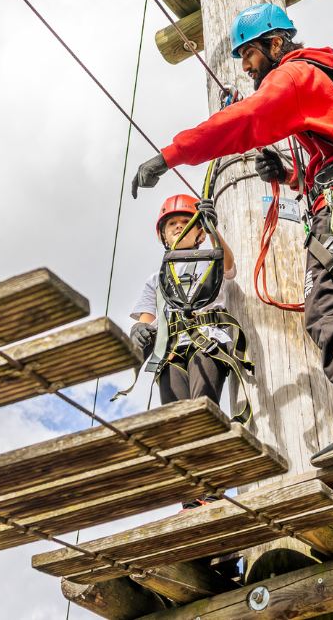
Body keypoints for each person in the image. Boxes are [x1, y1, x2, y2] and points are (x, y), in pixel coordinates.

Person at [129, 3, 333, 467]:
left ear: (276, 43)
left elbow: (245, 121)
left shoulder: (293, 74)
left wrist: (170, 156)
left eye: (250, 53)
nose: (247, 66)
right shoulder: (326, 75)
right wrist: (292, 174)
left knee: (325, 311)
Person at [126, 195, 247, 510]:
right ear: (163, 236)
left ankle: (212, 489)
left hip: (208, 343)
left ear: (199, 232)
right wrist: (139, 331)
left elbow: (230, 268)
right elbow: (145, 321)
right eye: (172, 225)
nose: (179, 228)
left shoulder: (212, 258)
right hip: (170, 352)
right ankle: (189, 496)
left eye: (186, 224)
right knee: (177, 422)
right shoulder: (156, 279)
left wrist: (213, 229)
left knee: (201, 408)